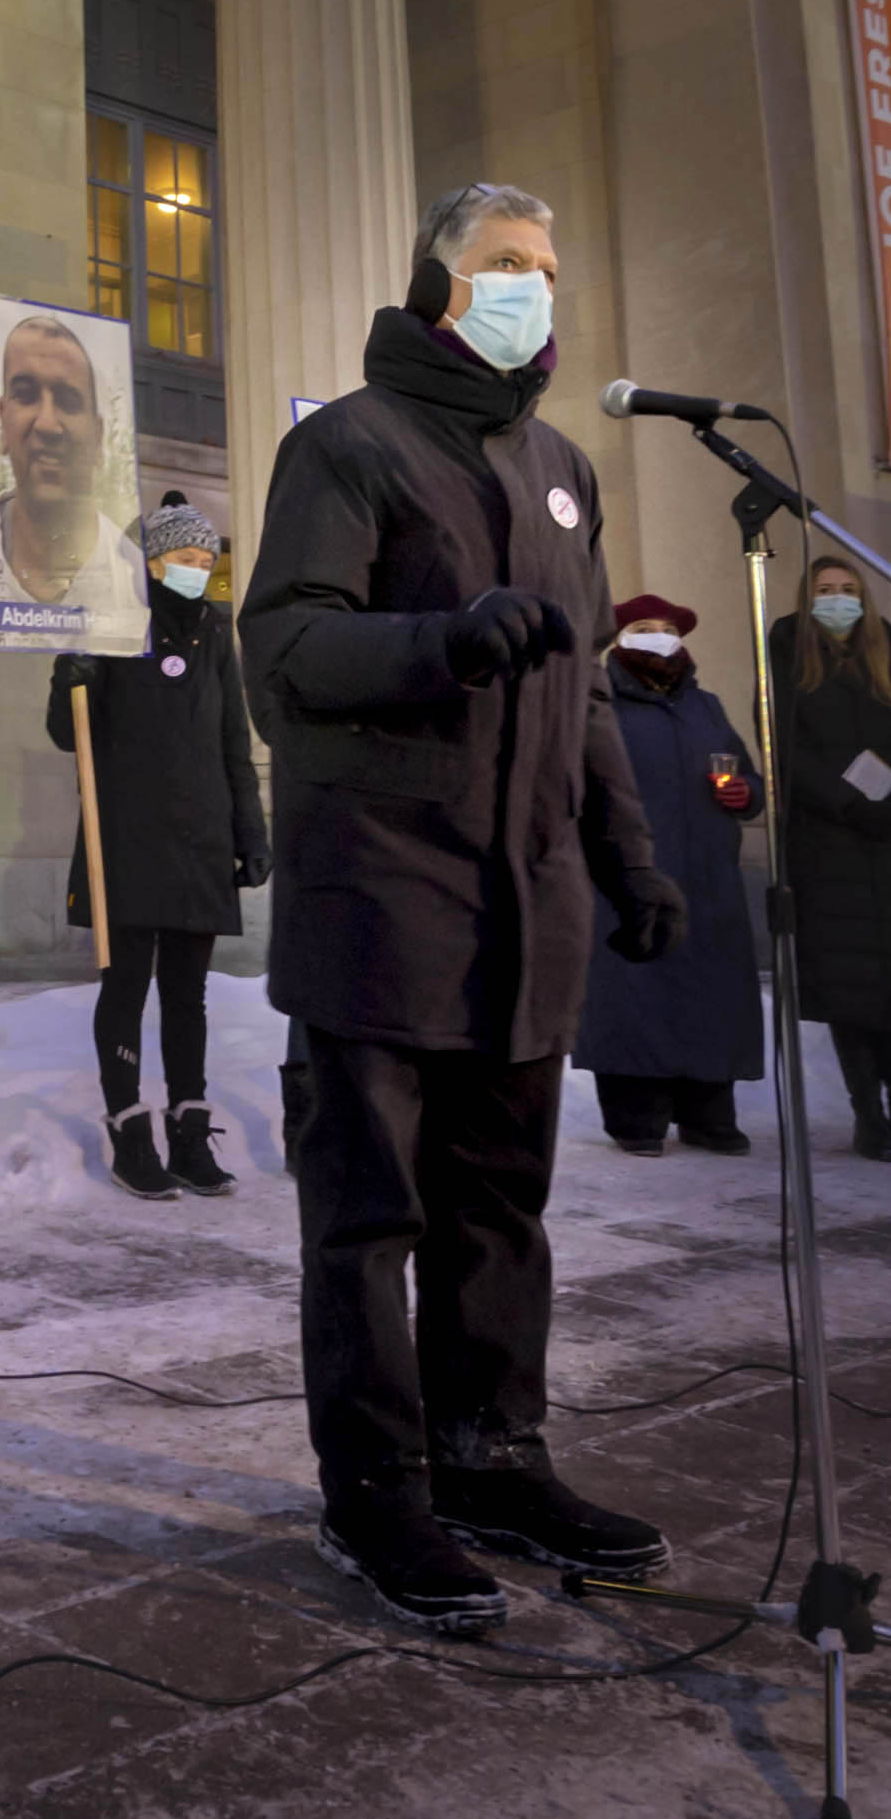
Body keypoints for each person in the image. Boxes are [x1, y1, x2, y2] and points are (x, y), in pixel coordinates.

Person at [243, 182, 683, 1636]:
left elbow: (589, 696)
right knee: (372, 1220)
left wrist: (630, 858)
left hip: (525, 909)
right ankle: (377, 1494)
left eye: (548, 269)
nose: (532, 290)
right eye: (504, 265)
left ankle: (492, 1457)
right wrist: (444, 640)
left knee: (501, 1214)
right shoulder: (347, 445)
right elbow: (290, 645)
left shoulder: (563, 466)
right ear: (437, 284)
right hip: (382, 899)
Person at [47, 493, 267, 1202]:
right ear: (151, 561)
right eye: (184, 559)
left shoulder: (215, 633)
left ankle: (190, 1133)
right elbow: (65, 731)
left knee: (188, 994)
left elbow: (235, 741)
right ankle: (129, 1134)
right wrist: (69, 678)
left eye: (206, 561)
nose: (197, 571)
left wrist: (250, 828)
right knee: (126, 984)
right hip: (129, 837)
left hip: (200, 839)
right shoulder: (112, 627)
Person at [575, 594, 763, 1156]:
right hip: (628, 876)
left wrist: (742, 793)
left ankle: (709, 1116)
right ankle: (637, 1117)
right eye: (641, 627)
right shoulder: (597, 703)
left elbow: (747, 782)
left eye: (665, 628)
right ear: (619, 637)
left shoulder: (706, 707)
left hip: (709, 878)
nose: (656, 635)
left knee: (712, 996)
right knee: (635, 995)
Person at [773, 555, 891, 1159]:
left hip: (888, 839)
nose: (838, 600)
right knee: (853, 991)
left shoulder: (885, 648)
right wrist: (848, 803)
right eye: (825, 591)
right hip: (830, 844)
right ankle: (869, 1115)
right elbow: (785, 745)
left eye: (848, 590)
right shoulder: (790, 649)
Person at [0, 314, 147, 627]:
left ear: (99, 437)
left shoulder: (134, 578)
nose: (47, 424)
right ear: (3, 420)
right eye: (26, 395)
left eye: (69, 401)